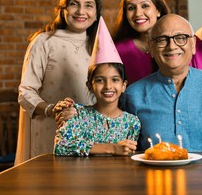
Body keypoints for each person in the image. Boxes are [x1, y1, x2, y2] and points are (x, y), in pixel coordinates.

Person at [123, 14, 202, 151]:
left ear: (193, 45)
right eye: (162, 40)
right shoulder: (133, 95)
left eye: (181, 38)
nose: (172, 46)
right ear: (152, 48)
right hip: (155, 172)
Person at [15, 0, 102, 165]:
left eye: (88, 5)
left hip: (89, 137)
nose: (81, 11)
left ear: (96, 13)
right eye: (73, 4)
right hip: (50, 130)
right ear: (63, 9)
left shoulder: (100, 45)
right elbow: (26, 91)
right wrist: (50, 109)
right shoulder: (44, 42)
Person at [53, 17, 140, 156]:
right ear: (90, 85)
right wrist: (112, 148)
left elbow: (128, 156)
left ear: (124, 85)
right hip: (82, 177)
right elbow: (62, 147)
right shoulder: (77, 113)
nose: (108, 86)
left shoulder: (132, 122)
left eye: (115, 80)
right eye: (100, 80)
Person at [112, 0, 202, 85]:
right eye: (131, 8)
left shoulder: (188, 40)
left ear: (158, 10)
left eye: (145, 6)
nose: (138, 13)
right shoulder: (119, 51)